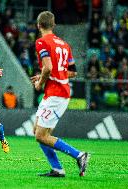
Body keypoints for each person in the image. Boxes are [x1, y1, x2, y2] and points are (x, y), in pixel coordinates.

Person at [31, 11, 90, 177]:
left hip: (56, 94)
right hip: (55, 92)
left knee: (41, 135)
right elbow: (72, 72)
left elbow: (48, 67)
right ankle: (57, 169)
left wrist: (39, 83)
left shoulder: (42, 42)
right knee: (37, 130)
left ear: (38, 25)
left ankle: (79, 155)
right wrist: (46, 75)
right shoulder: (64, 44)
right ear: (54, 25)